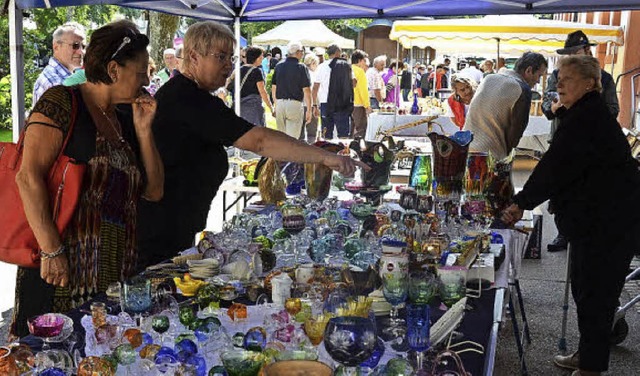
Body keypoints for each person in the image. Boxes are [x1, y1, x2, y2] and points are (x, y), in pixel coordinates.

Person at [136, 21, 367, 268]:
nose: (228, 66)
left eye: (231, 58)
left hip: (172, 227)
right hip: (159, 232)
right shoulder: (187, 99)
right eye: (221, 57)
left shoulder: (192, 95)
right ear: (193, 56)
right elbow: (258, 141)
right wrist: (324, 157)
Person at [12, 20, 163, 337]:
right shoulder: (61, 102)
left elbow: (154, 191)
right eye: (140, 73)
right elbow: (28, 177)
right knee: (52, 362)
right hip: (59, 276)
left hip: (110, 282)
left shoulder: (123, 117)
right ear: (113, 69)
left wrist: (145, 130)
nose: (147, 80)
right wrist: (52, 252)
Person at [501, 55, 640, 376]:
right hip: (596, 220)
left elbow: (555, 167)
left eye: (568, 78)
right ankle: (588, 353)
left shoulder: (587, 117)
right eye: (559, 78)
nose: (559, 84)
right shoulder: (581, 112)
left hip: (609, 222)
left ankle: (591, 367)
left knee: (596, 294)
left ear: (591, 84)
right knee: (586, 290)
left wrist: (521, 201)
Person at [542, 30, 620, 253]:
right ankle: (563, 232)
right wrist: (555, 107)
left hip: (591, 145)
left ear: (587, 51)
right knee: (559, 187)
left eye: (575, 52)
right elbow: (548, 105)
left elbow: (613, 109)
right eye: (567, 53)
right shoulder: (556, 75)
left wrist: (586, 110)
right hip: (562, 138)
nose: (570, 57)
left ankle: (585, 229)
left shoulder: (603, 78)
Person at [463, 52, 547, 160]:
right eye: (539, 75)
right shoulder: (522, 89)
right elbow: (515, 134)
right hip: (489, 157)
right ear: (529, 71)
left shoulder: (489, 78)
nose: (538, 81)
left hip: (465, 148)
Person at [33, 22, 86, 104]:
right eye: (75, 46)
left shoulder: (69, 78)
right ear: (56, 47)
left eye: (83, 46)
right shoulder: (55, 84)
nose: (81, 52)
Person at [271, 41, 312, 138]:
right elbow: (307, 90)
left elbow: (274, 88)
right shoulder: (301, 67)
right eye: (302, 51)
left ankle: (282, 153)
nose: (302, 53)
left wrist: (276, 104)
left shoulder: (279, 66)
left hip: (280, 103)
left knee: (282, 138)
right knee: (292, 139)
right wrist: (309, 109)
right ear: (297, 52)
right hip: (294, 104)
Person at [313, 44, 354, 139]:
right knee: (343, 133)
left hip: (325, 102)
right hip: (341, 102)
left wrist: (314, 104)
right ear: (337, 53)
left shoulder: (321, 66)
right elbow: (354, 82)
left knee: (326, 132)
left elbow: (315, 87)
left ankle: (326, 151)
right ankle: (343, 151)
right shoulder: (345, 65)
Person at [238, 46, 274, 127]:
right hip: (253, 108)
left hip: (240, 106)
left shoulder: (239, 69)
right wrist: (271, 107)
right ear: (257, 58)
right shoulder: (256, 71)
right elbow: (262, 91)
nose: (262, 58)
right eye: (261, 56)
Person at [351, 49, 371, 139]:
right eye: (364, 61)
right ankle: (358, 149)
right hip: (358, 104)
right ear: (359, 61)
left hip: (346, 103)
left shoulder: (347, 68)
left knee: (350, 129)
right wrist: (367, 105)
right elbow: (363, 90)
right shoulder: (360, 72)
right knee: (361, 129)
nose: (365, 63)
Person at [300, 53, 320, 143]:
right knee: (312, 133)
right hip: (311, 104)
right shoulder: (313, 75)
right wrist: (315, 105)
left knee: (300, 133)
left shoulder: (300, 72)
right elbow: (313, 91)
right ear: (313, 63)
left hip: (300, 104)